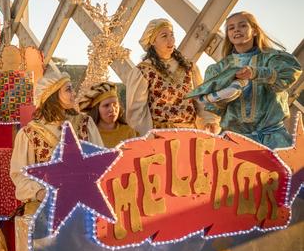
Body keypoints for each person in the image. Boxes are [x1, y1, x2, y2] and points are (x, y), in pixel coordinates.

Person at [188, 11, 301, 149]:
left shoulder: (273, 58)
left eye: (242, 26)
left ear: (254, 31)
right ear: (228, 35)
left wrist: (256, 72)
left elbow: (288, 75)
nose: (236, 30)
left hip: (273, 139)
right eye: (231, 28)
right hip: (235, 141)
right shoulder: (219, 69)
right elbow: (212, 105)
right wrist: (224, 95)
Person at [10, 69, 103, 211]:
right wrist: (40, 192)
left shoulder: (85, 124)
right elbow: (20, 175)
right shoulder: (29, 134)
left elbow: (100, 163)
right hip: (46, 207)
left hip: (83, 205)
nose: (74, 94)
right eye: (68, 90)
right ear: (52, 96)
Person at [125, 18, 218, 136]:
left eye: (172, 35)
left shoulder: (189, 67)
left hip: (189, 134)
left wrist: (209, 120)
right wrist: (149, 136)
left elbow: (201, 99)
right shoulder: (143, 71)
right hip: (160, 136)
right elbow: (137, 111)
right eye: (164, 36)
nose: (170, 40)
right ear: (153, 41)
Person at [78, 82, 138, 148]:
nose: (112, 109)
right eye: (106, 105)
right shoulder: (88, 133)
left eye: (115, 104)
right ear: (96, 109)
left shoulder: (129, 132)